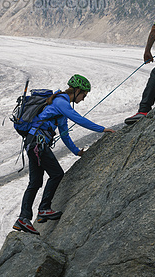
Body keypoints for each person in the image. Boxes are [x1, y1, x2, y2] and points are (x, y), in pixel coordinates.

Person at [13, 74, 115, 235]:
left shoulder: (59, 106)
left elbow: (65, 134)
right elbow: (78, 119)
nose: (83, 99)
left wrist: (77, 151)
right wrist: (102, 129)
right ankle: (44, 209)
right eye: (84, 95)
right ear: (77, 91)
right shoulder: (61, 102)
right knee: (57, 174)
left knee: (35, 182)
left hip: (32, 144)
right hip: (38, 143)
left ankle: (23, 219)